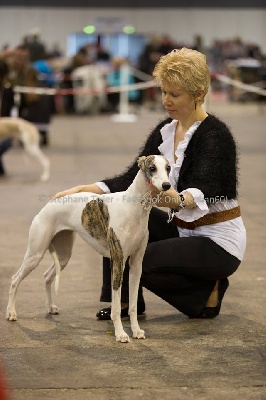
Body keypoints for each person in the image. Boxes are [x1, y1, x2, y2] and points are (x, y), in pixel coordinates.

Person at [53, 48, 246, 320]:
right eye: (163, 92)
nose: (166, 100)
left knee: (143, 259)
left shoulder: (216, 136)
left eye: (174, 94)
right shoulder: (166, 129)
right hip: (182, 230)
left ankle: (207, 291)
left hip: (217, 242)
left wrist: (177, 200)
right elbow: (131, 176)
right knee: (116, 226)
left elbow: (207, 189)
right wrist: (86, 188)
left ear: (199, 94)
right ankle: (125, 305)